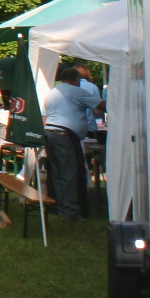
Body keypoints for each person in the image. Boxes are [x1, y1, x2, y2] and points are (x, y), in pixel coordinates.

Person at [41, 65, 100, 222]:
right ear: (77, 79)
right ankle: (71, 212)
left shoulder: (52, 93)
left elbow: (44, 117)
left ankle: (61, 207)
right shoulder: (77, 92)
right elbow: (102, 106)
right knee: (69, 174)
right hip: (64, 135)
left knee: (57, 174)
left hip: (50, 133)